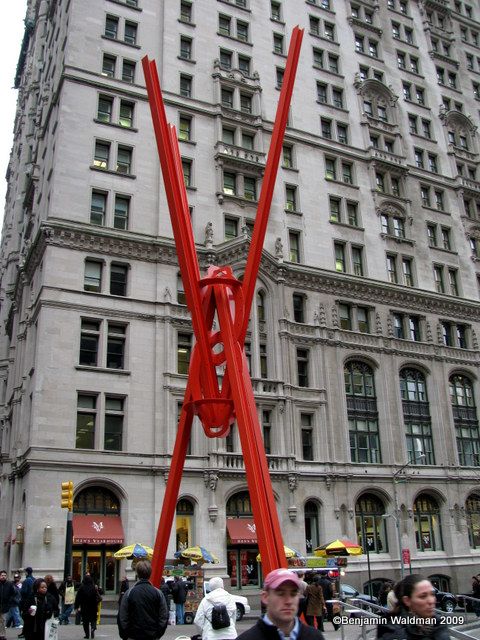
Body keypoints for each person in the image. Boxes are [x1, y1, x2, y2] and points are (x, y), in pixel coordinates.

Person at [237, 568, 325, 640]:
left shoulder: (315, 637)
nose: (289, 601)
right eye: (281, 593)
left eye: (293, 593)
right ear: (265, 597)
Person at [377, 574, 450, 640]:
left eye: (432, 594)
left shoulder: (438, 622)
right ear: (407, 601)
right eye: (423, 596)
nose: (431, 601)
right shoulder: (392, 629)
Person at [117, 560, 168, 640]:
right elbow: (164, 616)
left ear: (137, 573)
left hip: (133, 636)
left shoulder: (129, 593)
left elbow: (122, 617)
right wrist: (158, 634)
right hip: (152, 636)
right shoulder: (158, 593)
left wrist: (125, 635)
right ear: (150, 574)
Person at [75, 575, 99, 639]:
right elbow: (98, 596)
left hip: (84, 607)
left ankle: (87, 635)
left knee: (85, 622)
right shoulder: (93, 587)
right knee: (93, 619)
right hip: (93, 607)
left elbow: (78, 598)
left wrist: (76, 606)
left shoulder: (82, 587)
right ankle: (93, 628)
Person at [0, 570, 17, 640]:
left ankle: (2, 635)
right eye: (2, 575)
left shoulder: (9, 584)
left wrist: (10, 601)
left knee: (3, 621)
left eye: (5, 575)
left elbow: (14, 594)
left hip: (5, 606)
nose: (3, 577)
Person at [18, 569, 35, 639]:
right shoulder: (34, 579)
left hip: (26, 602)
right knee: (31, 617)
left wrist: (20, 589)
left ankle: (25, 632)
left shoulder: (27, 580)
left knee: (25, 617)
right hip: (33, 601)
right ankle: (27, 632)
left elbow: (23, 591)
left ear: (27, 572)